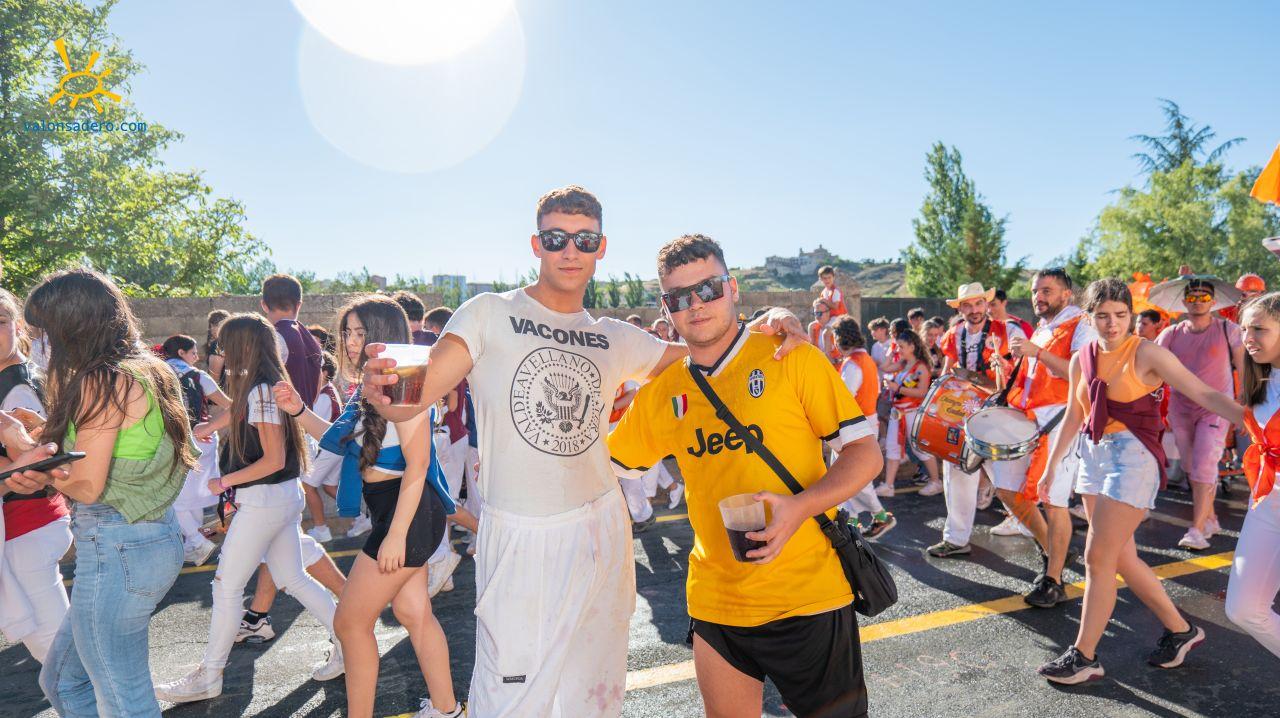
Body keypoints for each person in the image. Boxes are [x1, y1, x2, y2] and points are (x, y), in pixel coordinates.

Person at [360, 185, 805, 717]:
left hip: (601, 527)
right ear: (536, 244)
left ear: (601, 247)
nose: (570, 250)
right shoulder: (488, 313)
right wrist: (387, 392)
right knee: (507, 702)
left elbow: (710, 354)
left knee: (593, 698)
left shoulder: (614, 336)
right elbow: (419, 392)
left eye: (584, 239)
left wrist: (769, 321)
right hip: (521, 531)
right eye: (556, 238)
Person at [610, 234, 882, 718]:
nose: (696, 305)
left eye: (708, 289)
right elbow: (603, 465)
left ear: (732, 288)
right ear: (666, 308)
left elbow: (864, 454)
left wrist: (799, 508)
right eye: (680, 297)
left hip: (808, 595)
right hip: (716, 601)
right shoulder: (663, 392)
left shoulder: (790, 356)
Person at [277, 295, 471, 718]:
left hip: (407, 511)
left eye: (360, 332)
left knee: (350, 623)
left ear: (382, 334)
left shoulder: (404, 382)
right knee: (413, 612)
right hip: (396, 510)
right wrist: (298, 410)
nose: (350, 341)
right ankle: (448, 710)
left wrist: (396, 535)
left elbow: (419, 465)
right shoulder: (370, 388)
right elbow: (340, 438)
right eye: (347, 332)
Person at [1036, 278, 1233, 684]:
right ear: (1089, 318)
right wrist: (1051, 467)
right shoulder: (1081, 358)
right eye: (1102, 316)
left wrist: (1252, 417)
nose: (1112, 324)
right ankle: (1181, 631)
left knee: (1097, 558)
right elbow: (1074, 414)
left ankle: (1084, 656)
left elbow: (1203, 392)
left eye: (1121, 315)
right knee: (1121, 558)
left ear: (1130, 315)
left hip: (1133, 458)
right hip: (1092, 456)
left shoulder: (1147, 352)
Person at [18, 269, 195, 716]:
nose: (39, 344)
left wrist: (28, 457)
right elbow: (119, 448)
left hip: (118, 545)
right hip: (146, 539)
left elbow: (88, 484)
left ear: (71, 327)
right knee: (63, 682)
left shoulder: (103, 380)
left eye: (43, 333)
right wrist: (45, 434)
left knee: (124, 701)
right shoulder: (148, 369)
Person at [154, 314, 344, 704]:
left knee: (227, 586)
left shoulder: (260, 390)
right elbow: (241, 411)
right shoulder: (262, 385)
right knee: (292, 578)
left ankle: (209, 675)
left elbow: (273, 458)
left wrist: (224, 481)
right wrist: (209, 428)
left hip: (264, 500)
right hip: (279, 497)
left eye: (224, 345)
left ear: (241, 346)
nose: (220, 352)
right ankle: (350, 639)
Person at [998, 269, 1096, 607]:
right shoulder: (1042, 328)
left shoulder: (1082, 323)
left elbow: (1080, 373)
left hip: (1060, 421)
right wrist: (1007, 367)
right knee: (1007, 490)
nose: (1038, 297)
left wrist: (1036, 352)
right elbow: (1034, 378)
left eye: (1046, 291)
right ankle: (1053, 550)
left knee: (1054, 502)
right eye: (1035, 291)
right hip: (1028, 420)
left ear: (1067, 294)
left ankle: (1054, 580)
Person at [928, 282, 1026, 558]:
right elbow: (948, 370)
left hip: (998, 413)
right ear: (960, 309)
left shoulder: (1008, 331)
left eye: (978, 303)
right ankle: (956, 539)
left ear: (986, 304)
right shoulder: (953, 334)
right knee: (957, 474)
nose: (974, 310)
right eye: (967, 305)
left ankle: (1036, 532)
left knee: (1007, 478)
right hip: (963, 413)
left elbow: (1025, 369)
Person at [0, 287, 69, 665]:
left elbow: (28, 465)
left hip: (26, 525)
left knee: (59, 655)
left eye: (0, 321)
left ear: (18, 327)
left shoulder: (16, 387)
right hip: (32, 524)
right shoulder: (19, 377)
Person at [1155, 276, 1244, 550]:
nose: (1197, 301)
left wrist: (1244, 408)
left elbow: (1245, 368)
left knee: (1204, 465)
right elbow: (1151, 367)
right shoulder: (1170, 334)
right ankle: (1211, 519)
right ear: (1184, 302)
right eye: (1192, 297)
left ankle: (1196, 530)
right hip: (1181, 409)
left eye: (1204, 297)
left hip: (1216, 409)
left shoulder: (1228, 329)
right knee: (1192, 468)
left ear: (1213, 302)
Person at [1223, 292, 1280, 657]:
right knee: (1243, 609)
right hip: (1268, 500)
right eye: (1244, 329)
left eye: (1259, 329)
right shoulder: (1262, 380)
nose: (1248, 337)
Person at [161, 334, 232, 566]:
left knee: (174, 497)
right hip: (203, 438)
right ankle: (195, 544)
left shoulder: (156, 374)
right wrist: (211, 426)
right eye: (193, 352)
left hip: (173, 440)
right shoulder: (198, 376)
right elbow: (232, 406)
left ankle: (196, 541)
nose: (197, 357)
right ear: (181, 352)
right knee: (192, 497)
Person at [832, 315, 895, 538]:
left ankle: (879, 516)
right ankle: (853, 521)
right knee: (849, 475)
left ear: (841, 338)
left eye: (835, 337)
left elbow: (844, 398)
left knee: (851, 475)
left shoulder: (853, 363)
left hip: (854, 425)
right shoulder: (865, 359)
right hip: (866, 421)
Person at [880, 329, 940, 497]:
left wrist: (898, 388)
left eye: (901, 346)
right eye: (898, 346)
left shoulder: (921, 367)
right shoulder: (902, 363)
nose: (898, 349)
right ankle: (888, 485)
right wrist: (891, 352)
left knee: (919, 447)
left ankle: (936, 482)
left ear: (912, 347)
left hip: (913, 412)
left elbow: (922, 392)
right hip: (897, 412)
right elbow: (884, 367)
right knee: (892, 446)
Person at [303, 351, 344, 543]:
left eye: (315, 368)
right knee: (329, 486)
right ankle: (362, 518)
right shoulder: (326, 392)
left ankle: (321, 530)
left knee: (307, 486)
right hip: (336, 448)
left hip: (329, 449)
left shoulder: (324, 396)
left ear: (325, 372)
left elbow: (311, 426)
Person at [808, 298, 841, 365]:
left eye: (819, 313)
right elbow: (812, 350)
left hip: (837, 364)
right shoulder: (814, 327)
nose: (817, 317)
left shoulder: (836, 323)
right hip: (822, 364)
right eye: (815, 313)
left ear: (828, 313)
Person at [205, 309, 229, 384]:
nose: (212, 329)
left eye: (215, 325)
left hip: (222, 389)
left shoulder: (218, 344)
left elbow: (214, 378)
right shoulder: (235, 342)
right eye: (211, 326)